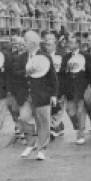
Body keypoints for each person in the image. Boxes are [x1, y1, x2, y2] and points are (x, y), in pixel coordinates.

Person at [16, 30, 58, 161]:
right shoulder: (21, 57)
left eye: (25, 40)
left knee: (43, 122)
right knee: (23, 118)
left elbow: (53, 77)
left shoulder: (45, 56)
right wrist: (26, 72)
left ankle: (42, 149)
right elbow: (15, 73)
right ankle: (30, 143)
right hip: (26, 94)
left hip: (42, 94)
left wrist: (54, 95)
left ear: (33, 43)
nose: (23, 43)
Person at [59, 36, 91, 145]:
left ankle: (80, 134)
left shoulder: (86, 56)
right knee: (71, 112)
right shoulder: (66, 57)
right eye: (68, 42)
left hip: (82, 87)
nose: (69, 44)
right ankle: (78, 127)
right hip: (69, 88)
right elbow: (62, 74)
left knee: (81, 111)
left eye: (71, 43)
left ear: (77, 44)